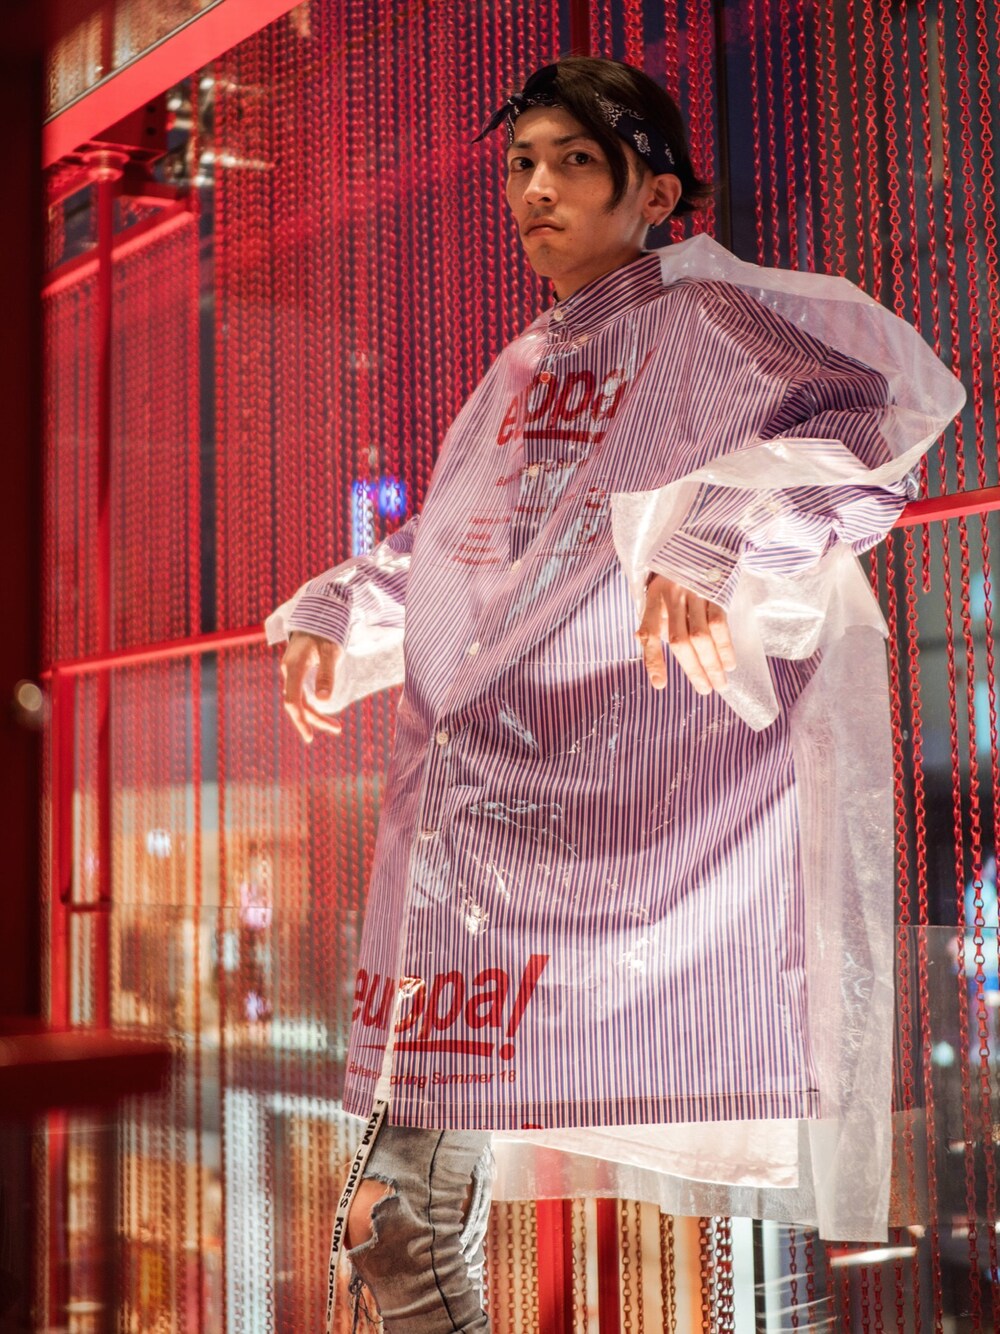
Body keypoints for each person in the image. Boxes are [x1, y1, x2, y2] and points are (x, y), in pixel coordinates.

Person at [268, 56, 964, 1333]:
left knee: (397, 1216)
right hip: (467, 821)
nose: (535, 187)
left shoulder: (705, 324)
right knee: (393, 1217)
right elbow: (457, 543)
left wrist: (711, 537)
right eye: (521, 163)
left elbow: (867, 436)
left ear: (654, 192)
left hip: (604, 810)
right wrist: (335, 608)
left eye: (573, 161)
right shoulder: (523, 365)